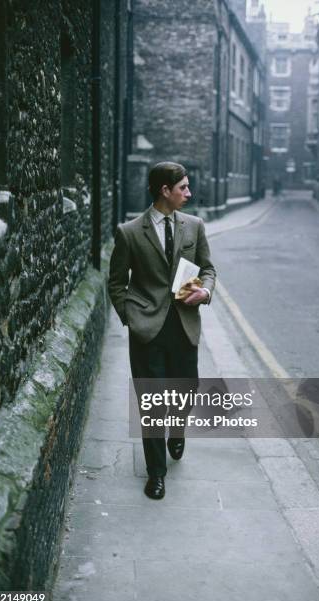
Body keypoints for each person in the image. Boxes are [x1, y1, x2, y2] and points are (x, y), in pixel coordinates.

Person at [108, 161, 216, 499]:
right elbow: (115, 283)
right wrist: (131, 317)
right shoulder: (128, 232)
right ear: (163, 191)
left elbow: (208, 268)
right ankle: (156, 474)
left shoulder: (194, 226)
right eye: (183, 187)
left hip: (184, 324)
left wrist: (205, 291)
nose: (189, 193)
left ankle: (178, 430)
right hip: (147, 330)